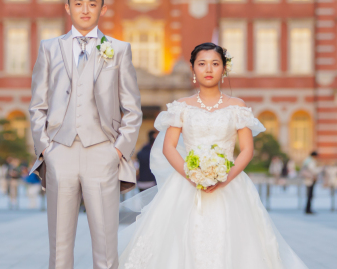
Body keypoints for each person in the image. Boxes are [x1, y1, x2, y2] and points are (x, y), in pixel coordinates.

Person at [116, 43, 308, 268]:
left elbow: (247, 150)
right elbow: (169, 147)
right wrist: (191, 175)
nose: (208, 69)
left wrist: (226, 176)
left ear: (224, 69)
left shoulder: (237, 106)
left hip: (231, 184)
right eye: (202, 64)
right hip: (186, 183)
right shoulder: (181, 106)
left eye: (215, 64)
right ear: (193, 69)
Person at [29, 0, 142, 269]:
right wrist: (46, 150)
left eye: (92, 4)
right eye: (78, 3)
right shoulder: (49, 48)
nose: (85, 9)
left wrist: (116, 151)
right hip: (60, 152)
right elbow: (37, 104)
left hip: (102, 151)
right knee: (59, 247)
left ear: (102, 9)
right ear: (68, 7)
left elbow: (132, 108)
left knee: (106, 246)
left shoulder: (118, 49)